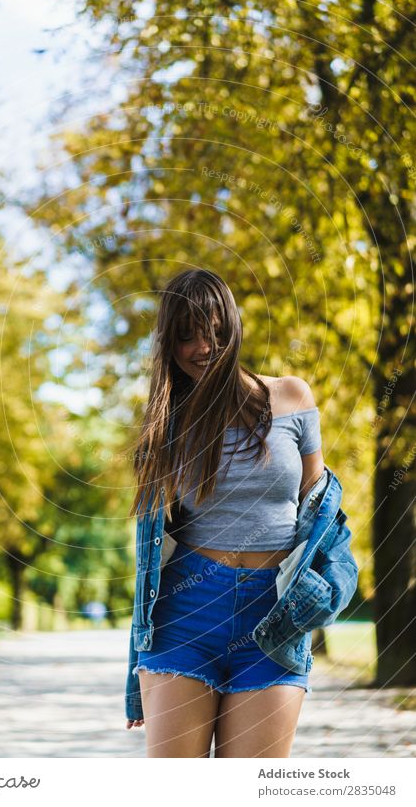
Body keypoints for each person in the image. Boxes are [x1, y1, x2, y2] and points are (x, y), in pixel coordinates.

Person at [126, 267, 326, 757]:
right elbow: (149, 559)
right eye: (185, 336)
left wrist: (326, 590)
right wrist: (132, 672)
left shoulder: (292, 398)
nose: (202, 347)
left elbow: (319, 510)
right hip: (187, 612)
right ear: (167, 346)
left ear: (233, 328)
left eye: (214, 331)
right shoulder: (166, 423)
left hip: (275, 614)